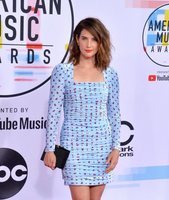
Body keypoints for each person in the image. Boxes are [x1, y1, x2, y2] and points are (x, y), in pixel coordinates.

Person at [43, 17, 121, 200]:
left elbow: (114, 113)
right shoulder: (62, 71)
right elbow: (53, 112)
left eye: (94, 39)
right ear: (77, 39)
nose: (89, 44)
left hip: (102, 145)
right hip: (73, 145)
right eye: (84, 38)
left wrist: (116, 148)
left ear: (101, 42)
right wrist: (49, 149)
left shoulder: (110, 74)